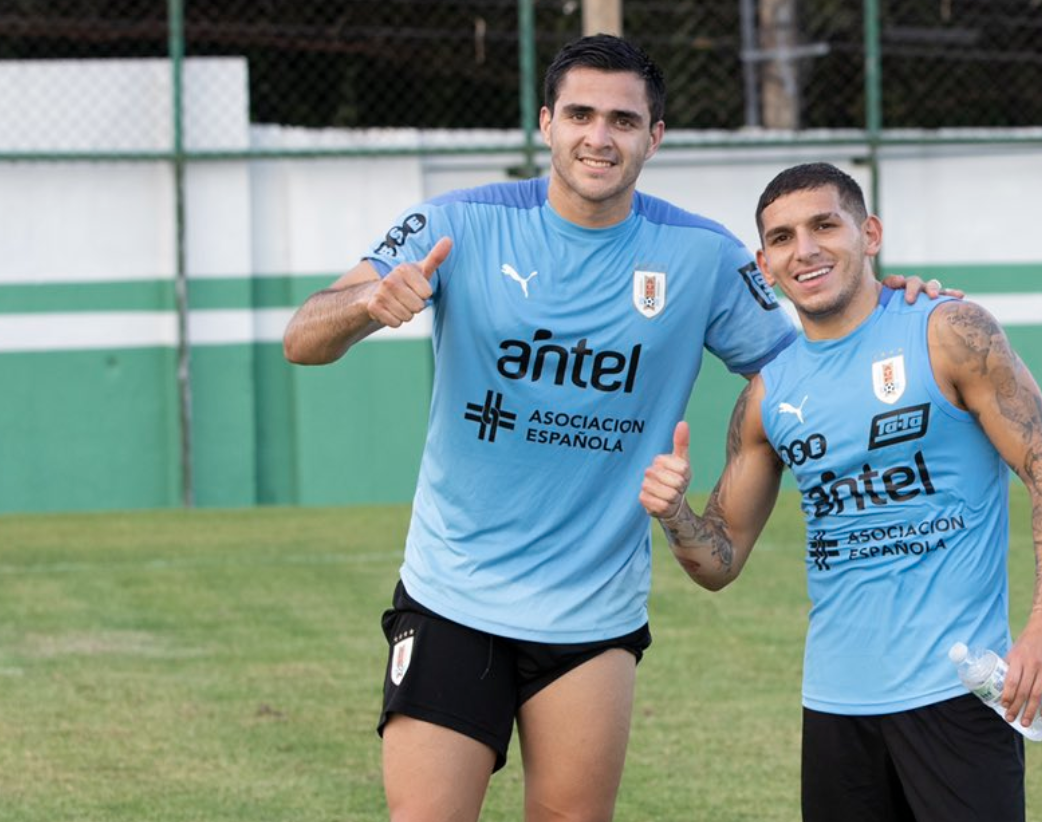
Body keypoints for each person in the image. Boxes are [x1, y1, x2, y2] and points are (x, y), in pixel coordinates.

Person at [283, 36, 948, 822]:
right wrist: (367, 306)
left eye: (623, 121)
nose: (599, 137)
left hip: (594, 611)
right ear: (547, 123)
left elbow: (805, 367)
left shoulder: (702, 256)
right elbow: (302, 338)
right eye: (580, 115)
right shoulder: (455, 223)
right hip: (452, 593)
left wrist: (888, 307)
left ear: (654, 136)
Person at [640, 162, 1042, 822]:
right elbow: (718, 563)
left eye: (825, 226)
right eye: (783, 238)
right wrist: (674, 512)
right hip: (835, 707)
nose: (805, 250)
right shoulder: (767, 395)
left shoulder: (949, 332)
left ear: (869, 233)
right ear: (765, 265)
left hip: (956, 695)